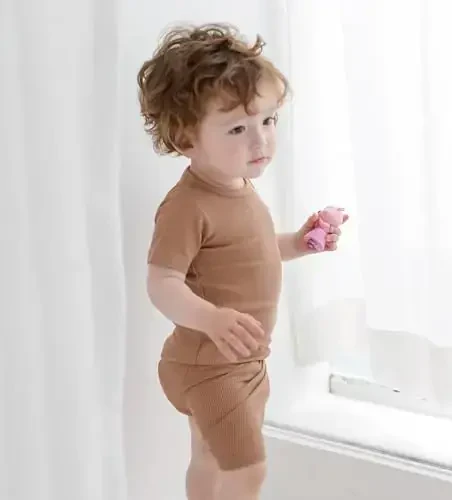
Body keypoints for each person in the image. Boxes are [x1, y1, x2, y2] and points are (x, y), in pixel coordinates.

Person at [138, 23, 346, 500]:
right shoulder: (187, 206)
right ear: (185, 139)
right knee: (247, 469)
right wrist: (211, 318)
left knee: (210, 459)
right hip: (211, 364)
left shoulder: (237, 186)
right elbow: (162, 282)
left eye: (268, 121)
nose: (261, 142)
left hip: (239, 360)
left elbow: (248, 253)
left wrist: (297, 243)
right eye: (237, 129)